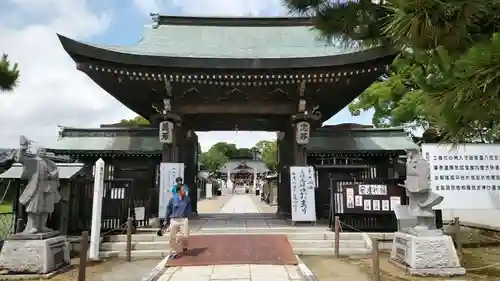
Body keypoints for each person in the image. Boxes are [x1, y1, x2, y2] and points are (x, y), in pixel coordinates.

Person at [164, 185, 191, 257]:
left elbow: (189, 208)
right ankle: (173, 250)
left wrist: (188, 216)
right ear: (179, 191)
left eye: (185, 189)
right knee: (171, 236)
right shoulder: (172, 199)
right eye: (183, 189)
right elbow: (168, 209)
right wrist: (166, 220)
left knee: (185, 235)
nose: (185, 190)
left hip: (183, 219)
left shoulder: (187, 198)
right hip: (174, 219)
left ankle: (182, 243)